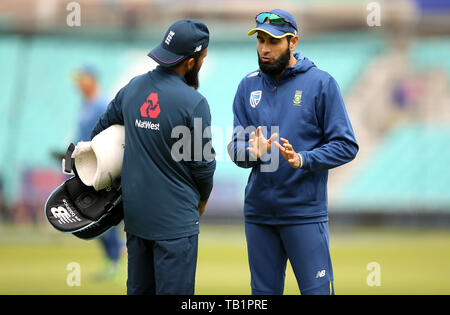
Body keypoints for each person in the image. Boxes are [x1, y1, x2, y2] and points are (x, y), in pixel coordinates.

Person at [227, 9, 358, 295]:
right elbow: (235, 148)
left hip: (304, 215)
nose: (264, 49)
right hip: (259, 214)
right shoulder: (247, 86)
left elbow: (347, 145)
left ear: (293, 42)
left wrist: (304, 159)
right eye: (260, 40)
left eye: (273, 42)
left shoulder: (321, 84)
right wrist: (252, 152)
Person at [90, 19, 216, 295]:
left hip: (136, 221)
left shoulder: (133, 88)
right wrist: (203, 200)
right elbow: (203, 167)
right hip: (176, 225)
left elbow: (100, 133)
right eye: (202, 58)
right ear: (192, 62)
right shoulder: (194, 103)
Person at [73, 66, 124, 280]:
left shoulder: (101, 104)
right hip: (86, 168)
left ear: (92, 80)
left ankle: (115, 259)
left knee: (99, 216)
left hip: (100, 169)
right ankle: (117, 253)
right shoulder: (85, 105)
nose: (78, 84)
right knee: (91, 217)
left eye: (82, 79)